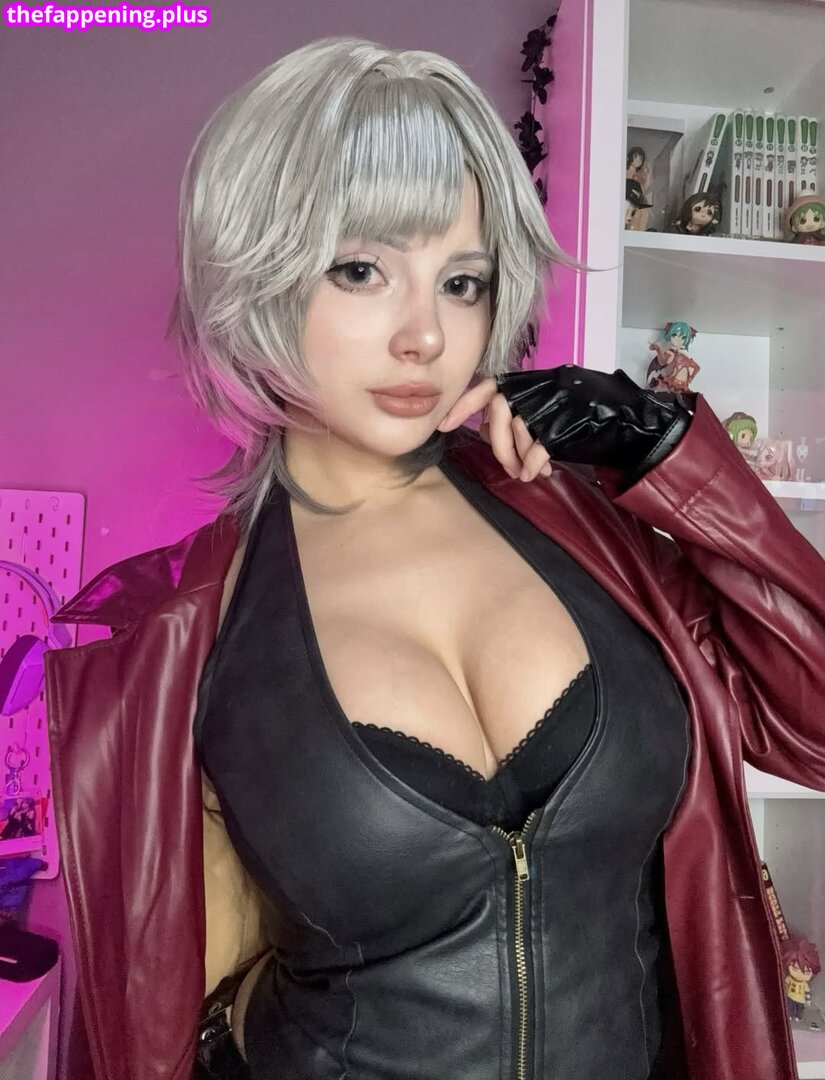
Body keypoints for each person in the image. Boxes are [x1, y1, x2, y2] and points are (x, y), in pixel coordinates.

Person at [42, 36, 825, 1080]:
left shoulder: (591, 531)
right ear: (260, 273)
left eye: (462, 281)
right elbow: (146, 1006)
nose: (424, 335)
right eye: (361, 270)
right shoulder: (181, 630)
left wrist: (668, 453)